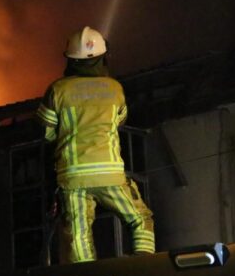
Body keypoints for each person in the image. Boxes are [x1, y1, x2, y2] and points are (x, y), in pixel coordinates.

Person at [36, 26, 155, 263]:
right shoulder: (115, 89)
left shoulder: (58, 90)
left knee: (78, 235)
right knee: (140, 218)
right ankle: (144, 264)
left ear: (70, 59)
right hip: (109, 174)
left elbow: (46, 133)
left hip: (73, 177)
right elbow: (119, 121)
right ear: (102, 57)